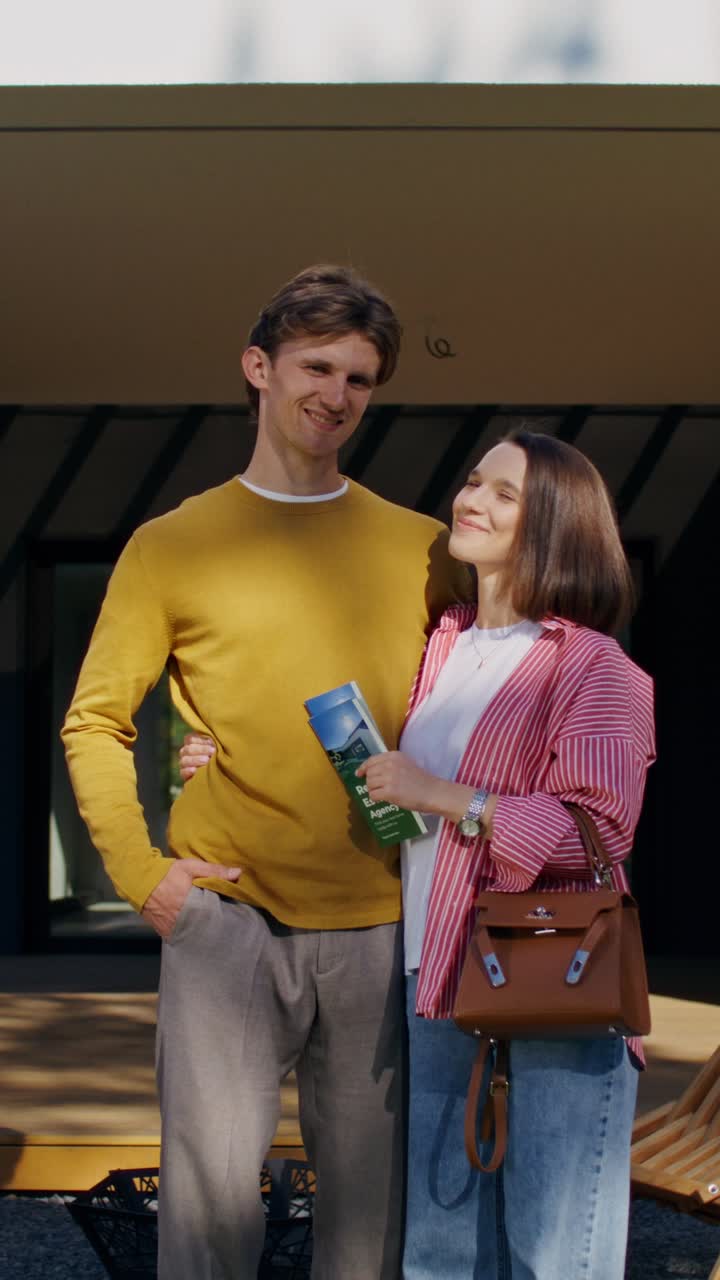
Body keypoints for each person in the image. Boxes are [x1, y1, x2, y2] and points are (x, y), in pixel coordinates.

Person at [61, 263, 465, 1280]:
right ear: (259, 366)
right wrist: (144, 876)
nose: (337, 394)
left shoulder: (423, 549)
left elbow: (475, 715)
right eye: (317, 365)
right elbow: (96, 720)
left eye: (361, 378)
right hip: (225, 922)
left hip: (381, 924)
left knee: (369, 1232)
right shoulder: (172, 545)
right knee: (204, 1231)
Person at [182, 428, 656, 1279]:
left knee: (556, 1256)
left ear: (555, 525)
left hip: (557, 975)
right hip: (436, 976)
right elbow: (375, 777)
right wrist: (226, 758)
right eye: (474, 481)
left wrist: (447, 796)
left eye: (504, 494)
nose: (470, 500)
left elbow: (601, 827)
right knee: (439, 1253)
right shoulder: (445, 643)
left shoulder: (593, 666)